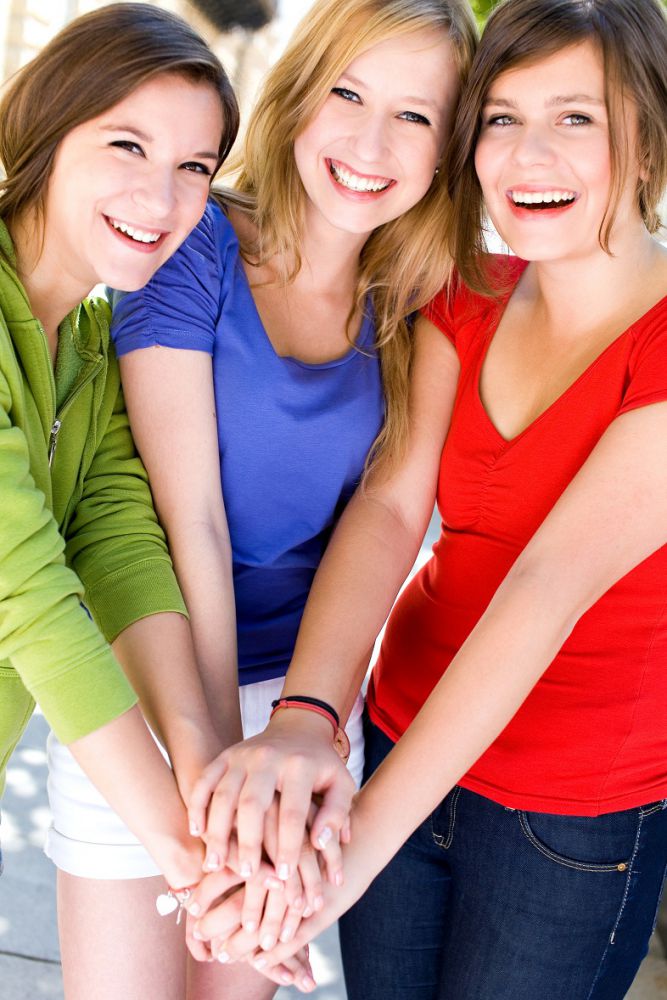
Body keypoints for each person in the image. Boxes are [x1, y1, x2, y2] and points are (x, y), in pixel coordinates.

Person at [188, 0, 667, 997]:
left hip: (567, 814)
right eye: (500, 118)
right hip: (397, 731)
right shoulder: (465, 290)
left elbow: (545, 586)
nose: (528, 154)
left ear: (648, 138)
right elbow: (389, 509)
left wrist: (339, 862)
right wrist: (307, 718)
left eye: (575, 118)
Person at [109, 0, 477, 995]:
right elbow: (188, 521)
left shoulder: (415, 303)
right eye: (348, 93)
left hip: (302, 698)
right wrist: (221, 777)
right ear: (301, 92)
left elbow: (385, 520)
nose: (370, 142)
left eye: (415, 115)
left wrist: (290, 742)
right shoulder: (195, 243)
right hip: (151, 682)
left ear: (449, 147)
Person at [0, 4, 243, 999]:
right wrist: (193, 862)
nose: (163, 196)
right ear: (49, 130)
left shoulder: (93, 341)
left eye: (195, 166)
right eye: (128, 146)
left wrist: (204, 770)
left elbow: (119, 545)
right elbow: (30, 598)